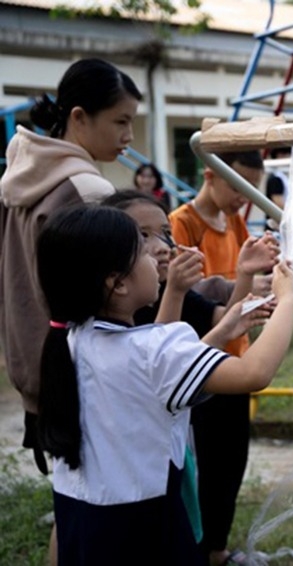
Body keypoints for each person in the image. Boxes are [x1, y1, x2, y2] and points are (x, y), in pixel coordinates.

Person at [36, 205, 293, 566]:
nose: (158, 253)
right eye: (142, 250)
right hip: (145, 530)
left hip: (85, 523)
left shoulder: (71, 339)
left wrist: (224, 330)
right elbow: (254, 373)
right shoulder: (150, 349)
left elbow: (160, 378)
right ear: (118, 283)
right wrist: (289, 299)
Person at [0, 58, 141, 479]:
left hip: (34, 370)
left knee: (72, 505)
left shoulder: (19, 177)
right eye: (121, 121)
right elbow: (119, 291)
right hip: (84, 377)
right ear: (79, 117)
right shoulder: (87, 190)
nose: (129, 137)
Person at [168, 150, 280, 566]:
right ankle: (201, 549)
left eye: (252, 188)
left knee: (233, 461)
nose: (244, 198)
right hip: (201, 361)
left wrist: (262, 283)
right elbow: (193, 301)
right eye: (239, 186)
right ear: (210, 176)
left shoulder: (233, 221)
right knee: (204, 468)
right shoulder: (182, 224)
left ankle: (217, 548)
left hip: (235, 355)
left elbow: (238, 286)